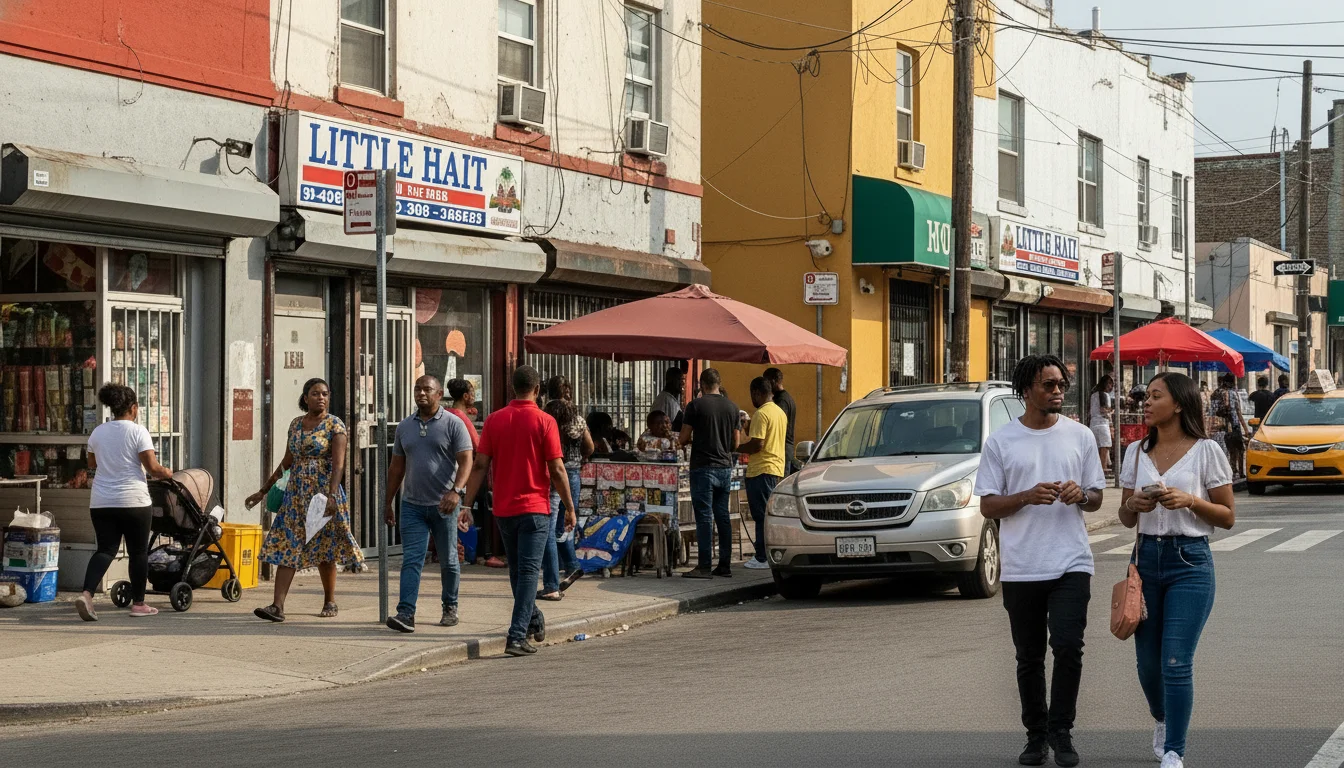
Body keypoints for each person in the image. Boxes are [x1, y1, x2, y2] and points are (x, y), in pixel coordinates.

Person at [974, 355, 1106, 768]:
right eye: (1049, 385)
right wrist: (1026, 496)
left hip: (1071, 562)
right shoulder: (1001, 442)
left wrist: (1080, 494)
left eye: (1062, 385)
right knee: (1029, 656)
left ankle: (1061, 732)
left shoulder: (1080, 436)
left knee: (1068, 646)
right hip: (1023, 566)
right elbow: (988, 506)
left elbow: (1097, 496)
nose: (1058, 392)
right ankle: (1035, 736)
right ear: (1026, 389)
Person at [1119, 372, 1235, 768]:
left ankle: (1174, 751)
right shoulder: (1135, 452)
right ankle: (1162, 718)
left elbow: (1227, 517)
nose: (1145, 403)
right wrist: (1134, 506)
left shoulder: (1206, 451)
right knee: (1148, 666)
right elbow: (1123, 517)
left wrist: (1189, 501)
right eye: (1146, 396)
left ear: (1180, 404)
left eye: (1155, 396)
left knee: (1175, 660)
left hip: (1190, 563)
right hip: (1145, 562)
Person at [462, 365, 576, 656]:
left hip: (504, 508)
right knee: (526, 572)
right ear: (537, 390)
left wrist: (466, 503)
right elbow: (558, 469)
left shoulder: (495, 420)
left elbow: (479, 465)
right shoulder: (545, 421)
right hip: (536, 508)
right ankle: (516, 635)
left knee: (517, 571)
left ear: (513, 388)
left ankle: (533, 619)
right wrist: (569, 507)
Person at [247, 378, 364, 622]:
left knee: (325, 549)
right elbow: (286, 462)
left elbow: (339, 464)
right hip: (296, 496)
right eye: (315, 393)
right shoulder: (296, 425)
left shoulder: (335, 425)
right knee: (287, 545)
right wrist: (263, 490)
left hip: (322, 496)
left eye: (324, 393)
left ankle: (329, 599)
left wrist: (332, 495)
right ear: (305, 397)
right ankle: (277, 606)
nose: (320, 397)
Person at [74, 384, 174, 621]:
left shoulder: (98, 432)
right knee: (138, 552)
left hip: (101, 501)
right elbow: (152, 468)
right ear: (133, 408)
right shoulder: (138, 432)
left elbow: (91, 464)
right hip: (134, 501)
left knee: (106, 549)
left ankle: (87, 594)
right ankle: (139, 604)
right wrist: (168, 472)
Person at [383, 376, 475, 633]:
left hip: (444, 505)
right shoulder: (405, 427)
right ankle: (406, 612)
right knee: (412, 559)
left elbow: (466, 460)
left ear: (439, 394)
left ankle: (450, 606)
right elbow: (396, 467)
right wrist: (388, 501)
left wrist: (457, 492)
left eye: (427, 389)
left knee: (448, 560)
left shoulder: (453, 423)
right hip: (412, 505)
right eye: (417, 389)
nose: (421, 393)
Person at [678, 368, 741, 579]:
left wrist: (695, 440)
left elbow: (683, 437)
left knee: (704, 516)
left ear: (702, 385)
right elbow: (737, 442)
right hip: (724, 467)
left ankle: (704, 566)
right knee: (722, 516)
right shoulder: (733, 408)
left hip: (703, 467)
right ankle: (725, 564)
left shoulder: (695, 406)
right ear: (718, 383)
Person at [539, 394, 593, 601]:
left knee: (550, 530)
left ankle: (552, 583)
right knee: (565, 525)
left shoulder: (550, 424)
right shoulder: (578, 423)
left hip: (556, 475)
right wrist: (581, 457)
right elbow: (590, 447)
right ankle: (571, 565)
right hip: (574, 473)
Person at [737, 377, 787, 570]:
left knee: (761, 515)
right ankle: (769, 553)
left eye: (752, 395)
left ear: (757, 393)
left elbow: (758, 443)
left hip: (761, 469)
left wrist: (738, 447)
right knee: (769, 514)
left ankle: (762, 556)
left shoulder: (761, 414)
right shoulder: (780, 412)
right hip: (775, 468)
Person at [1208, 373, 1250, 479]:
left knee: (1230, 449)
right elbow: (1238, 412)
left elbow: (1212, 412)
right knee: (1240, 449)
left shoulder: (1215, 394)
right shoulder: (1233, 393)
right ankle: (1240, 472)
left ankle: (1232, 470)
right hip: (1234, 424)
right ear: (1232, 382)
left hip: (1221, 427)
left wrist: (1210, 428)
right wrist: (1245, 429)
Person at [763, 367, 799, 474]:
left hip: (782, 450)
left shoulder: (781, 401)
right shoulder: (786, 398)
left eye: (766, 382)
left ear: (773, 381)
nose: (766, 386)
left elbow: (776, 424)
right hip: (785, 449)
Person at [1088, 375, 1115, 475]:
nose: (1110, 386)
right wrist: (1111, 414)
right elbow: (1104, 410)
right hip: (1103, 424)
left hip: (1093, 423)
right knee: (1105, 446)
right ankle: (1103, 468)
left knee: (1096, 447)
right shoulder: (1105, 395)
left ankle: (1098, 469)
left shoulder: (1093, 395)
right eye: (1109, 383)